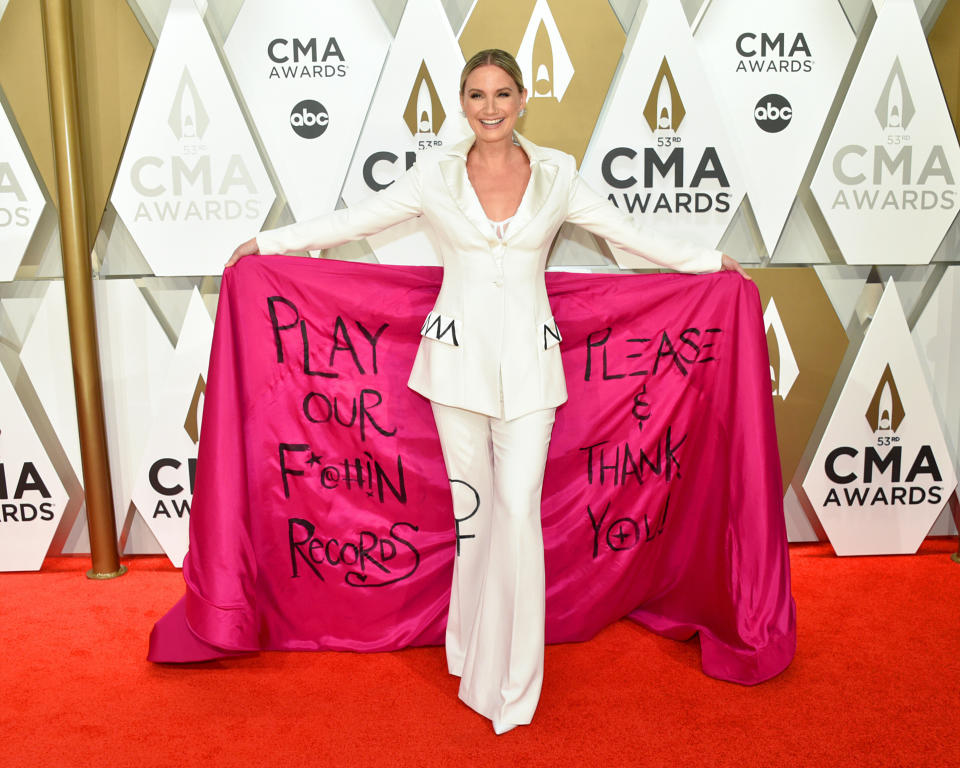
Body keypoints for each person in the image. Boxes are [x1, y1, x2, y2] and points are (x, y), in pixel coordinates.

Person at [229, 48, 748, 735]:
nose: (491, 107)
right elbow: (354, 221)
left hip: (533, 374)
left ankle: (514, 683)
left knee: (517, 515)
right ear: (462, 102)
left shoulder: (558, 173)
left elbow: (627, 235)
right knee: (475, 522)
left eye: (502, 93)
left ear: (523, 97)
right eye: (477, 95)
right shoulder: (435, 176)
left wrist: (710, 262)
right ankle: (469, 651)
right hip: (453, 370)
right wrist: (266, 244)